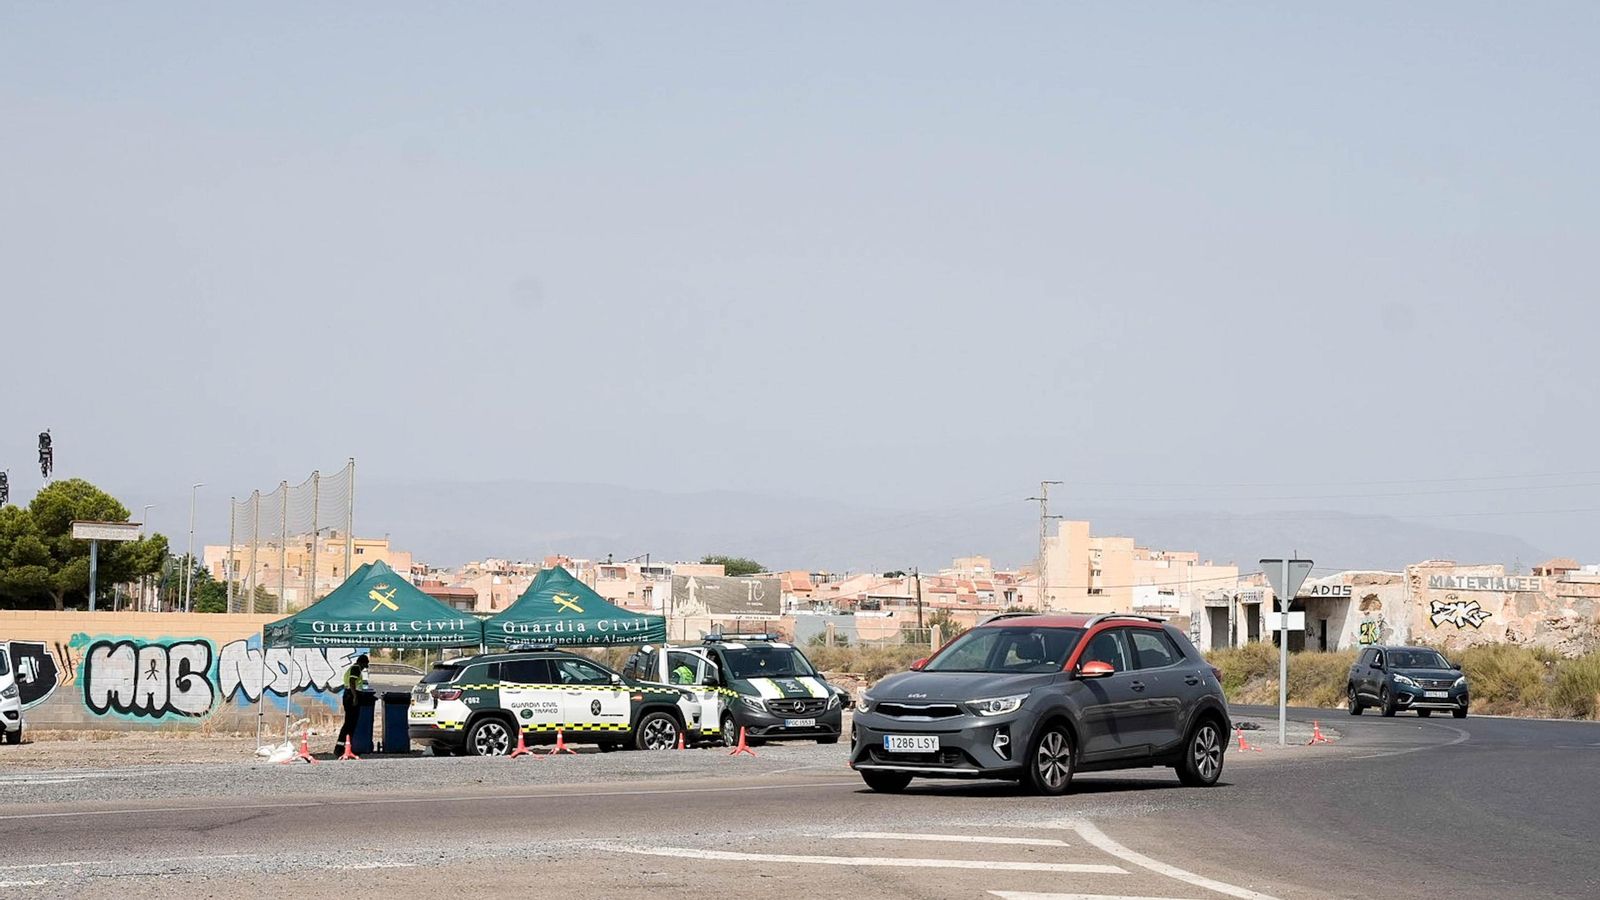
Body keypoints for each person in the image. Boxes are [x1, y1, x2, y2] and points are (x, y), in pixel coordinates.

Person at [334, 654, 370, 755]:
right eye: (364, 665)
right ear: (362, 663)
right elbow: (352, 682)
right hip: (351, 696)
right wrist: (355, 697)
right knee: (350, 723)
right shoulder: (356, 668)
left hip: (349, 695)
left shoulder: (354, 668)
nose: (364, 668)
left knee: (350, 723)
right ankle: (341, 748)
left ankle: (344, 747)